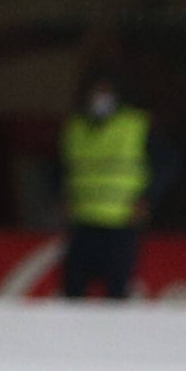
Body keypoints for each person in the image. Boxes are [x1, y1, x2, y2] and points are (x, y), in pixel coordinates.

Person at [60, 74, 154, 299]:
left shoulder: (135, 125)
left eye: (105, 92)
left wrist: (147, 198)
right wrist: (62, 196)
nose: (100, 98)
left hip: (121, 222)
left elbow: (166, 163)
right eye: (96, 92)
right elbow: (61, 167)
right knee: (72, 290)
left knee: (116, 293)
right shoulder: (75, 127)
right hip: (82, 222)